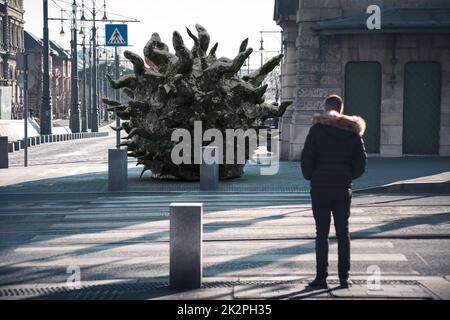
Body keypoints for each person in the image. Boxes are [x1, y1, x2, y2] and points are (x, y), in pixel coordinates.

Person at [301, 95, 367, 289]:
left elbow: (306, 160)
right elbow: (361, 164)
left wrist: (312, 177)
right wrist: (347, 177)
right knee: (343, 233)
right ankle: (344, 278)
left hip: (320, 189)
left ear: (325, 109)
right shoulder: (352, 133)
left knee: (321, 234)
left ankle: (321, 278)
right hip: (342, 189)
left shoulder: (316, 131)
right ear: (341, 109)